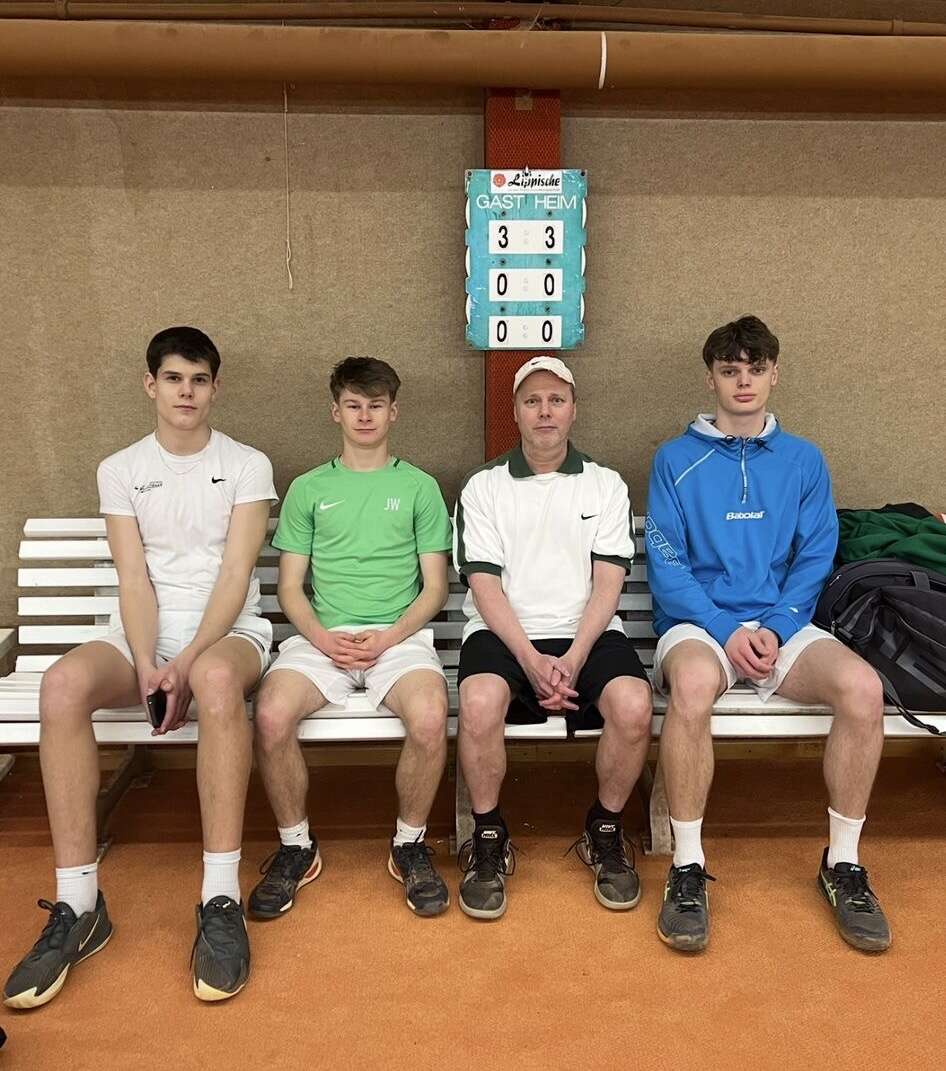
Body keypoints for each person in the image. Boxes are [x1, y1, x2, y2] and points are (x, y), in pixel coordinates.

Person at [4, 327, 277, 1007]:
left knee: (216, 680)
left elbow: (235, 575)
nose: (187, 392)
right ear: (150, 384)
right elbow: (133, 578)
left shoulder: (247, 464)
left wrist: (185, 660)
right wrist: (150, 661)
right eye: (174, 378)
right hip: (142, 636)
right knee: (61, 684)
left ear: (215, 388)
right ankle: (79, 904)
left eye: (200, 380)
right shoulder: (120, 468)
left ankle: (220, 897)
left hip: (229, 632)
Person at [646, 315, 891, 953]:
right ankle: (687, 867)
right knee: (691, 688)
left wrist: (778, 628)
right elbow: (668, 564)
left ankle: (843, 864)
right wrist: (726, 630)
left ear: (775, 374)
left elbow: (816, 556)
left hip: (784, 626)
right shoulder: (675, 459)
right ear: (711, 378)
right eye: (730, 370)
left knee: (863, 689)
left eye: (756, 370)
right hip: (700, 626)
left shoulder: (804, 460)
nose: (743, 381)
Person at [251, 357, 453, 919]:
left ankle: (409, 844)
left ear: (394, 411)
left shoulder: (419, 487)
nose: (365, 416)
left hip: (398, 639)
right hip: (323, 639)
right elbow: (290, 587)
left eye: (376, 405)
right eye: (354, 405)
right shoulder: (308, 488)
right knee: (270, 715)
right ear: (335, 411)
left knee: (431, 717)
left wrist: (388, 637)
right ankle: (296, 847)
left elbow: (435, 587)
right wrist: (321, 638)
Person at [453, 355, 653, 920]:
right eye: (533, 401)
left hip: (584, 633)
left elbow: (608, 584)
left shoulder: (605, 484)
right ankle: (488, 837)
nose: (545, 411)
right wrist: (531, 660)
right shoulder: (484, 487)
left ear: (573, 410)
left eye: (556, 400)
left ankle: (604, 829)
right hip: (503, 633)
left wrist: (573, 657)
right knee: (479, 701)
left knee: (634, 705)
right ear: (515, 412)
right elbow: (485, 586)